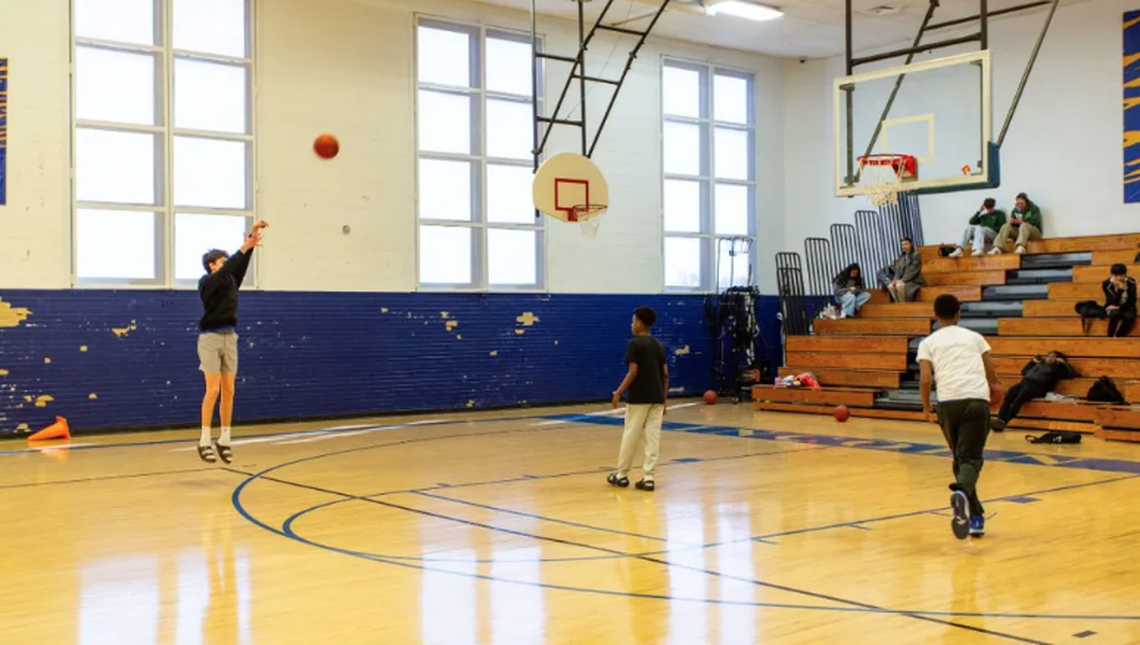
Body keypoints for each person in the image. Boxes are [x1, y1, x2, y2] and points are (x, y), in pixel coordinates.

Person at [918, 294, 1002, 539]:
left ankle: (976, 518)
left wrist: (925, 408)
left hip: (947, 403)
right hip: (976, 400)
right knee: (971, 459)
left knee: (961, 459)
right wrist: (995, 388)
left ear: (935, 316)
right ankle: (965, 496)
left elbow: (925, 378)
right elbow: (990, 371)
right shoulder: (975, 338)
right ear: (959, 314)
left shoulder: (928, 342)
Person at [197, 220, 268, 464]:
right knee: (212, 390)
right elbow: (230, 268)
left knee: (229, 390)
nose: (226, 265)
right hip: (210, 338)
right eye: (222, 261)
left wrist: (250, 243)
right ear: (211, 266)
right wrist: (242, 248)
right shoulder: (206, 283)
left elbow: (239, 267)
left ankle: (224, 438)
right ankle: (204, 439)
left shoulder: (229, 281)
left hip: (230, 337)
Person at [608, 306, 668, 492]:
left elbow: (633, 371)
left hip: (639, 398)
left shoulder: (634, 344)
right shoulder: (659, 345)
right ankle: (649, 477)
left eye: (633, 320)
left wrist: (618, 392)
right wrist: (664, 399)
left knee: (631, 435)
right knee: (653, 438)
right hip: (657, 398)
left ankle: (622, 474)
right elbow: (665, 374)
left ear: (640, 324)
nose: (632, 324)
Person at [991, 351, 1075, 432]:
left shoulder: (1056, 369)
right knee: (1008, 396)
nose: (1049, 358)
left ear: (1057, 360)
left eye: (1053, 357)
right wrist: (1032, 362)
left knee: (1019, 399)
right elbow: (1024, 372)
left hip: (1037, 386)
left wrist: (1064, 363)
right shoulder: (1038, 365)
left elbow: (1071, 374)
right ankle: (999, 420)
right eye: (1048, 356)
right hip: (1024, 382)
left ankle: (1004, 422)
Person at [886, 237, 926, 303]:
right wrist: (895, 280)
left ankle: (904, 304)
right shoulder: (902, 257)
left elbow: (912, 272)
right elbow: (898, 271)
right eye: (902, 245)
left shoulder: (916, 255)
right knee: (891, 286)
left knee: (899, 286)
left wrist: (901, 280)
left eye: (906, 244)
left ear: (911, 244)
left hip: (913, 281)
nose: (904, 246)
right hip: (903, 280)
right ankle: (898, 303)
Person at [1104, 263, 1137, 338]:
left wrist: (1119, 307)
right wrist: (1120, 290)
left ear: (1125, 274)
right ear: (1112, 275)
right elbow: (1112, 302)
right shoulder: (1107, 284)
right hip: (1112, 307)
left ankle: (1120, 336)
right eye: (1116, 276)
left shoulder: (1132, 282)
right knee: (1114, 314)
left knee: (1130, 316)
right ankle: (1110, 337)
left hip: (1127, 306)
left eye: (1121, 275)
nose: (1118, 278)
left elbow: (1132, 301)